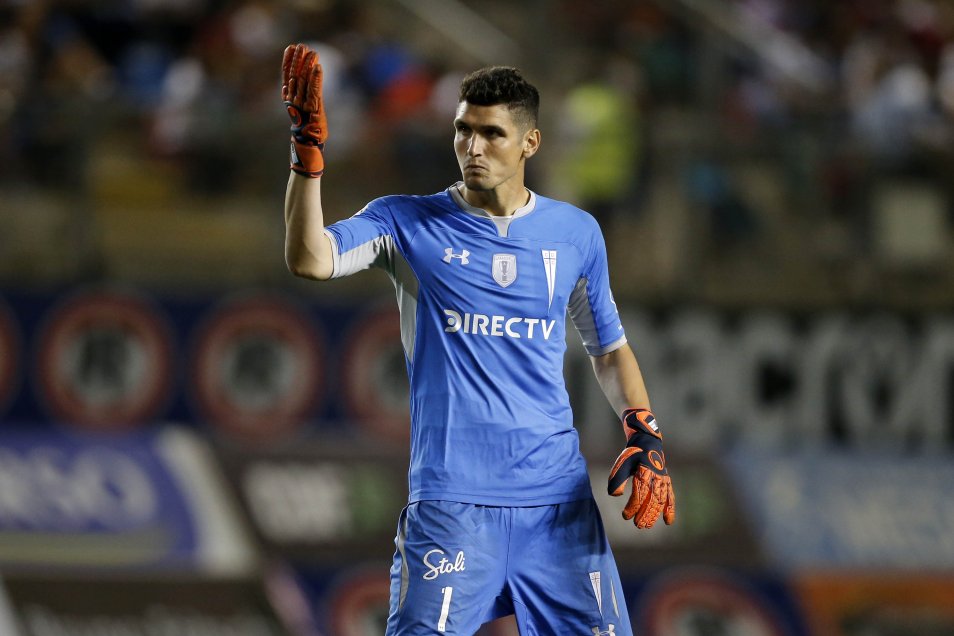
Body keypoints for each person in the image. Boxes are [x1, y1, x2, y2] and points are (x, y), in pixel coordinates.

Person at [281, 43, 675, 636]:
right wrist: (306, 158)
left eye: (491, 133)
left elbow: (609, 349)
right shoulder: (405, 222)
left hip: (558, 508)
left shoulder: (575, 233)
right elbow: (311, 259)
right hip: (451, 507)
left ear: (530, 144)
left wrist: (642, 429)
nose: (472, 147)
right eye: (463, 130)